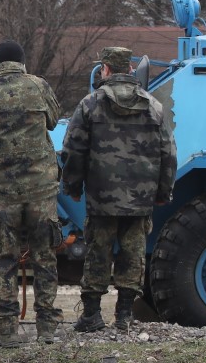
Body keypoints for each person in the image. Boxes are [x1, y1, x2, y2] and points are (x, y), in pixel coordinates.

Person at [61, 47, 176, 331]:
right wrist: (163, 192)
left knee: (98, 252)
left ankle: (91, 315)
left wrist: (72, 187)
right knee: (133, 253)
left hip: (101, 197)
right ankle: (124, 316)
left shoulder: (89, 104)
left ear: (106, 69)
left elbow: (73, 150)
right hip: (140, 198)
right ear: (130, 70)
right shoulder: (154, 106)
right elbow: (168, 153)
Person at [0, 40, 63, 347]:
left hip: (3, 191)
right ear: (22, 61)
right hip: (41, 188)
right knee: (44, 258)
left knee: (6, 260)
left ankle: (7, 330)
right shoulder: (39, 86)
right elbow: (53, 120)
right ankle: (48, 328)